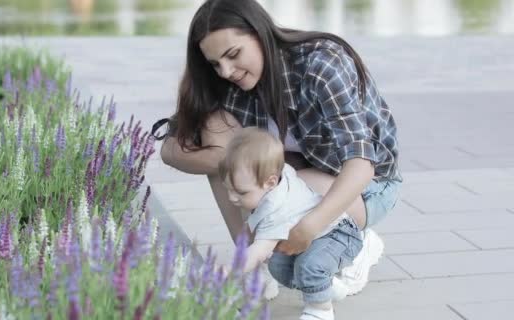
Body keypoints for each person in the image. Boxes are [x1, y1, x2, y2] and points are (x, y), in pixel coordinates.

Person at [152, 0, 402, 307]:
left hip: (366, 188)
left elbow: (361, 164)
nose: (227, 71)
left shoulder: (321, 62)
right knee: (223, 143)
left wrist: (309, 227)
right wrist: (227, 161)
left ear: (259, 32)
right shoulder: (227, 83)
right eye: (216, 64)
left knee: (251, 165)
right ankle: (255, 260)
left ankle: (353, 244)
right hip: (296, 180)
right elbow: (172, 148)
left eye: (233, 54)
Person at [219, 127, 362, 319]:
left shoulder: (275, 211)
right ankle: (323, 284)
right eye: (228, 189)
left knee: (310, 266)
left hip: (339, 234)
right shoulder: (281, 173)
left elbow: (258, 252)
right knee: (278, 265)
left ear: (270, 183)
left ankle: (320, 309)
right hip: (316, 237)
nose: (232, 198)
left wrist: (230, 269)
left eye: (241, 192)